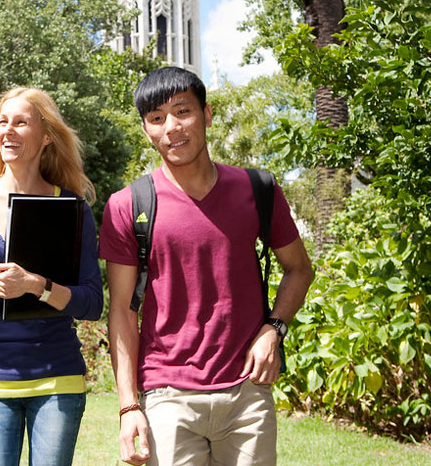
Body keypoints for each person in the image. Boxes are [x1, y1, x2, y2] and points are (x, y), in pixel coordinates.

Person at [100, 67, 314, 466]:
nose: (172, 128)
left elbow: (299, 269)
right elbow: (122, 312)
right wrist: (129, 407)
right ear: (146, 129)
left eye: (183, 111)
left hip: (248, 393)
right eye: (157, 118)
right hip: (167, 395)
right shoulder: (128, 206)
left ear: (207, 114)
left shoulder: (257, 190)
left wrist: (274, 329)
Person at [0, 86, 103, 466]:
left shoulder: (73, 209)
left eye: (21, 122)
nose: (8, 131)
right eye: (2, 122)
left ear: (46, 136)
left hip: (58, 378)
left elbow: (92, 302)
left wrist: (36, 286)